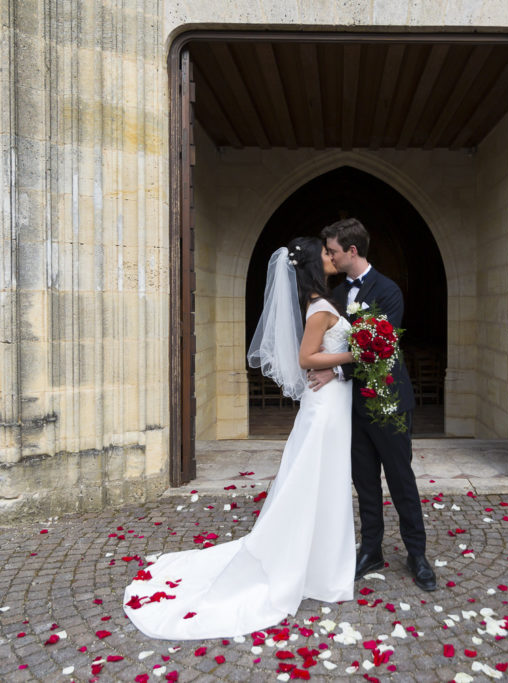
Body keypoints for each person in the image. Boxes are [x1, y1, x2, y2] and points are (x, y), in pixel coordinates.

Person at [123, 237, 355, 639]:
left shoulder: (321, 303)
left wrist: (341, 365)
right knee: (315, 478)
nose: (330, 257)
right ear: (314, 265)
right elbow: (305, 359)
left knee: (327, 478)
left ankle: (322, 561)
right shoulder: (319, 308)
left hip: (333, 399)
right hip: (326, 407)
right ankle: (312, 565)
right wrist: (354, 355)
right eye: (324, 252)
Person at [310, 217, 437, 592]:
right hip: (352, 407)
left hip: (389, 402)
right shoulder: (333, 296)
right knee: (364, 481)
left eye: (333, 250)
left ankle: (417, 553)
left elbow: (379, 348)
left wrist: (336, 373)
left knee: (401, 480)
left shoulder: (389, 290)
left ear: (352, 250)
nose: (329, 256)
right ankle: (372, 550)